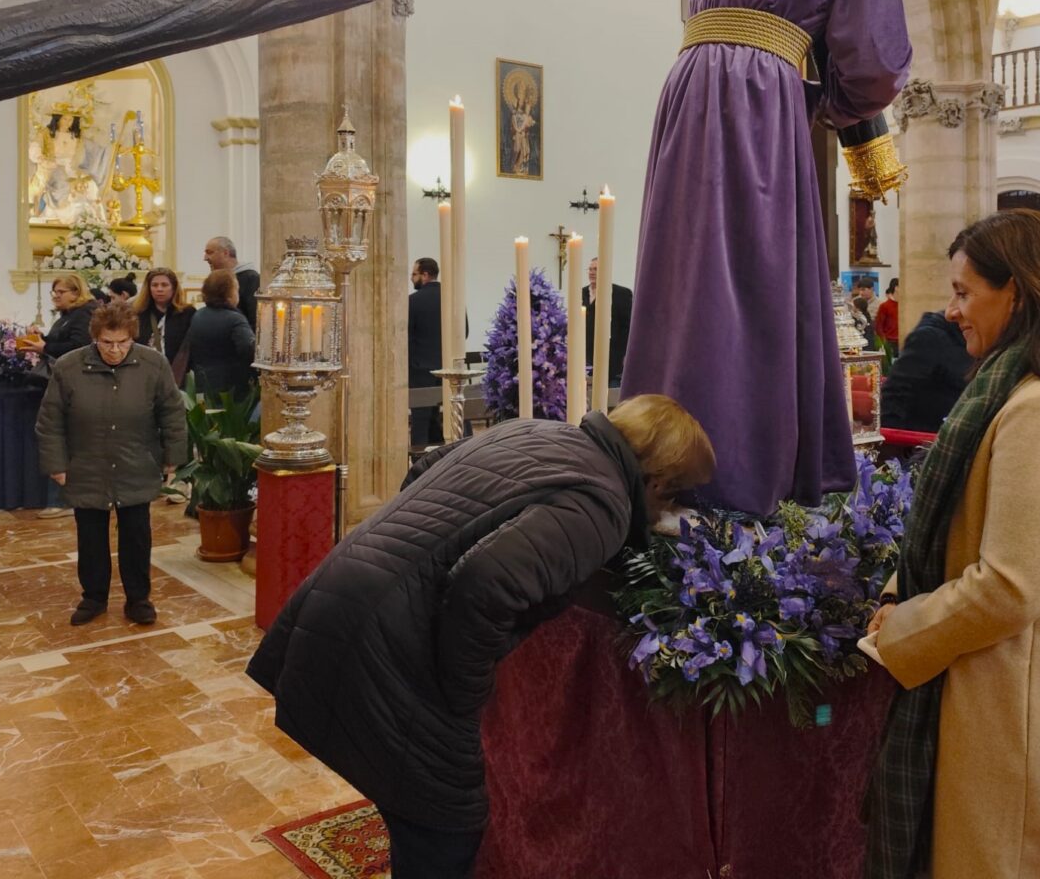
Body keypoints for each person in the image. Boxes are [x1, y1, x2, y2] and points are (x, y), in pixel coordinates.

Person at [247, 394, 715, 879]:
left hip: (344, 597)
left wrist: (418, 557)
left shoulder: (535, 430)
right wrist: (465, 695)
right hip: (388, 644)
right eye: (675, 496)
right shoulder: (604, 503)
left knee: (416, 813)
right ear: (657, 482)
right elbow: (483, 584)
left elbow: (424, 468)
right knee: (445, 830)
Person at [620, 0, 930, 516]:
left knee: (688, 279)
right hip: (758, 91)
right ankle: (735, 479)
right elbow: (874, 55)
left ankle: (653, 463)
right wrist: (836, 106)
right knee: (754, 284)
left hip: (690, 86)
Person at [865, 210, 1040, 879]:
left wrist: (902, 630)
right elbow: (955, 527)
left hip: (1023, 698)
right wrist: (899, 591)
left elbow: (1010, 586)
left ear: (1018, 291)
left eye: (963, 291)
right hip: (999, 680)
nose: (951, 310)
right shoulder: (1017, 389)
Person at [35, 303, 186, 626]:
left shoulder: (153, 364)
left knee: (136, 536)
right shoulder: (69, 367)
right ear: (95, 338)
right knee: (90, 537)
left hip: (136, 462)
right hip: (86, 464)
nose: (115, 350)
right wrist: (56, 464)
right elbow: (50, 421)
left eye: (122, 343)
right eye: (107, 343)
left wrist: (173, 457)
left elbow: (172, 413)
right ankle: (94, 598)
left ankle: (138, 599)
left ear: (132, 338)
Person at [26, 275, 99, 519]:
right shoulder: (68, 315)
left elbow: (78, 347)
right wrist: (41, 339)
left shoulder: (84, 314)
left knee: (66, 439)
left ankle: (64, 499)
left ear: (76, 292)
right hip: (64, 381)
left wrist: (45, 347)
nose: (56, 296)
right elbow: (61, 342)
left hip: (76, 384)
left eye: (61, 292)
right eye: (54, 292)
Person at [879, 310, 973, 433]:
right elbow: (894, 395)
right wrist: (896, 440)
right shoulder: (931, 337)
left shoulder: (986, 344)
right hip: (926, 437)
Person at [187, 269, 256, 401]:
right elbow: (248, 349)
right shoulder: (235, 319)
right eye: (236, 289)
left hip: (203, 385)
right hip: (230, 390)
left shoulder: (198, 315)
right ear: (229, 294)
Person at [133, 267, 195, 381]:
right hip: (144, 374)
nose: (159, 289)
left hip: (176, 374)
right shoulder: (139, 313)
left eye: (164, 285)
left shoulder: (187, 313)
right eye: (155, 285)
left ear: (173, 288)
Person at [408, 257, 445, 448]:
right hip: (447, 368)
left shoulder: (413, 301)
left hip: (420, 370)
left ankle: (420, 458)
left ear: (425, 275)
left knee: (421, 420)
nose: (411, 278)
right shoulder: (451, 297)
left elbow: (406, 336)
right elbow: (463, 331)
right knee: (448, 417)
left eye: (414, 274)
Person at [583, 256, 633, 388]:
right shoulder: (581, 293)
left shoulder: (621, 294)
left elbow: (628, 327)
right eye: (590, 269)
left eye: (596, 269)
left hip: (612, 357)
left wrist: (625, 355)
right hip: (587, 356)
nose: (592, 272)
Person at [204, 236, 259, 330]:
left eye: (209, 252)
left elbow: (254, 318)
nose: (205, 258)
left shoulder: (251, 278)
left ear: (225, 253)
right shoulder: (215, 279)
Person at [876, 278, 900, 355]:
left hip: (904, 341)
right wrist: (884, 341)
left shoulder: (905, 305)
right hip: (890, 342)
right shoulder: (884, 306)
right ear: (896, 288)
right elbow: (879, 326)